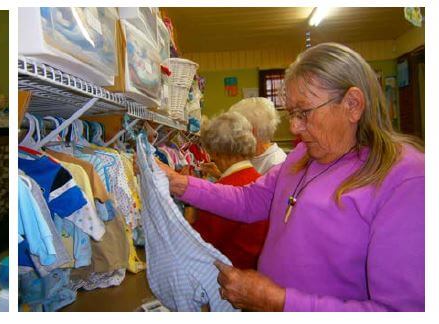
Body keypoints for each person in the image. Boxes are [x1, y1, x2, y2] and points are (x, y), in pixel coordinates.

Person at [157, 43, 424, 311]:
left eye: (304, 113)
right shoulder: (302, 155)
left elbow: (400, 311)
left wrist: (278, 302)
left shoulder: (404, 178)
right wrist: (178, 183)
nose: (295, 126)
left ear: (353, 105)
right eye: (292, 114)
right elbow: (249, 200)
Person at [188, 111, 267, 271]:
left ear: (216, 152)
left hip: (230, 279)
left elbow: (196, 245)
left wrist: (190, 206)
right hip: (256, 273)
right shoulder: (262, 182)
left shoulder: (221, 194)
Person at [228, 97, 287, 174]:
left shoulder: (276, 164)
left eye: (236, 130)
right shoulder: (250, 155)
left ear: (250, 131)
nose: (232, 135)